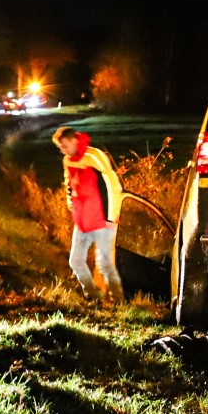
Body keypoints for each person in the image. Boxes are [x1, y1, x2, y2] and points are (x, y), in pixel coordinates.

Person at [53, 126, 125, 304]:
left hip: (102, 218)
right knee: (75, 260)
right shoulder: (67, 160)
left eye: (64, 146)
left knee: (105, 263)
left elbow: (112, 185)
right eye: (60, 147)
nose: (63, 150)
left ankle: (118, 301)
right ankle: (94, 297)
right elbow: (69, 185)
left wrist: (110, 215)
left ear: (74, 141)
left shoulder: (94, 156)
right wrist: (72, 208)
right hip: (83, 219)